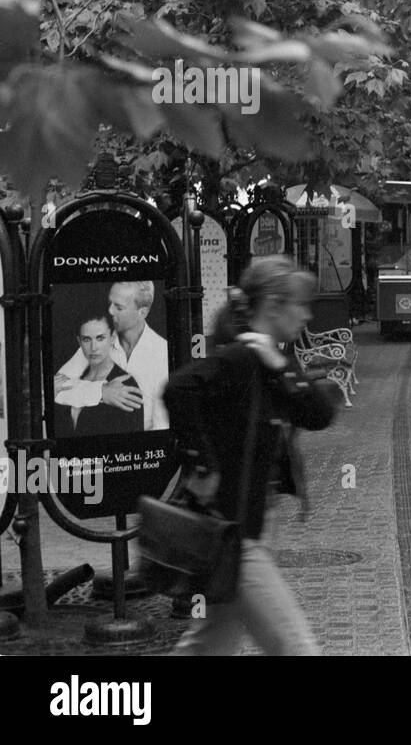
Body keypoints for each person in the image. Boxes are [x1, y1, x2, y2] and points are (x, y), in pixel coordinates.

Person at [164, 255, 339, 654]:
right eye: (301, 304)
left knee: (212, 643)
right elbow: (178, 390)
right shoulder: (239, 358)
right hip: (234, 532)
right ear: (275, 305)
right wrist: (202, 463)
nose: (307, 315)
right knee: (296, 647)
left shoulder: (269, 359)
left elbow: (318, 414)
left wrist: (279, 364)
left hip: (254, 522)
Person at [55, 281, 169, 430]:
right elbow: (56, 387)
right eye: (110, 303)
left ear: (142, 312)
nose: (110, 311)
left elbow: (162, 425)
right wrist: (101, 391)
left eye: (118, 307)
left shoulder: (162, 353)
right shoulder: (99, 341)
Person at [52, 312, 144, 437]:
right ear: (79, 341)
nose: (93, 347)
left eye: (100, 338)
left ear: (112, 338)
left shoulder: (124, 386)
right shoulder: (68, 379)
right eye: (86, 339)